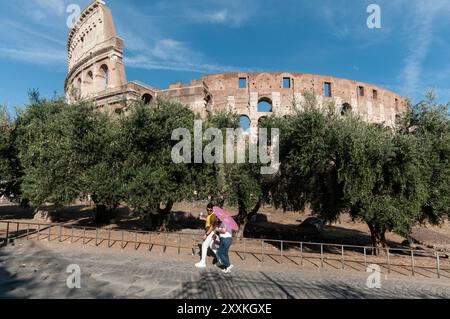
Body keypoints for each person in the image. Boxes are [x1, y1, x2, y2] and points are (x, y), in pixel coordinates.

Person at [195, 203, 220, 268]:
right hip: (211, 232)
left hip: (210, 232)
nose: (208, 211)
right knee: (212, 246)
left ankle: (203, 262)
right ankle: (221, 259)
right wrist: (204, 218)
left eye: (210, 210)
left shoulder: (213, 215)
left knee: (204, 246)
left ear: (213, 210)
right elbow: (209, 221)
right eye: (207, 210)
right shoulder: (211, 215)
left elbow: (212, 226)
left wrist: (206, 235)